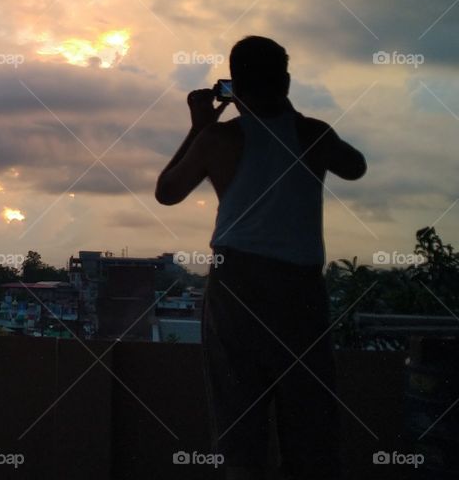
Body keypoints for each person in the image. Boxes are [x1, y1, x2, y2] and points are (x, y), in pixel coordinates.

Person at [155, 36, 366, 480]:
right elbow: (355, 166)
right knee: (308, 425)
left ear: (236, 87)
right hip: (301, 288)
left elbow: (167, 191)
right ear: (286, 81)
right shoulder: (313, 133)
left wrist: (199, 127)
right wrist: (294, 119)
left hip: (238, 284)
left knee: (239, 424)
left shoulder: (219, 137)